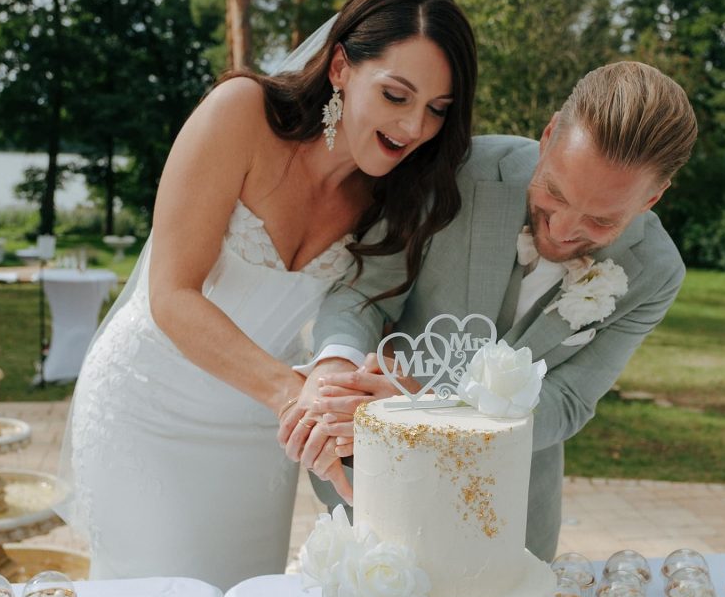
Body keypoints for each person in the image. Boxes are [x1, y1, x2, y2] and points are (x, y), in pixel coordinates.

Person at [56, 0, 477, 589]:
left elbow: (364, 319)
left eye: (437, 109)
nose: (414, 127)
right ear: (341, 67)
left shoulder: (397, 198)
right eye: (396, 95)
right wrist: (291, 394)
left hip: (259, 435)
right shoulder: (241, 115)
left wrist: (369, 397)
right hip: (148, 409)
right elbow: (172, 294)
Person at [282, 61, 697, 562]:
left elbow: (568, 400)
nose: (563, 230)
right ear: (549, 136)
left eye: (601, 221)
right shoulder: (459, 170)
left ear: (652, 198)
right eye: (555, 193)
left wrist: (430, 413)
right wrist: (335, 371)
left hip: (510, 508)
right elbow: (363, 293)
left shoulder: (656, 271)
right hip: (375, 482)